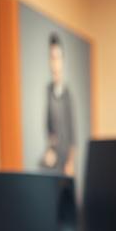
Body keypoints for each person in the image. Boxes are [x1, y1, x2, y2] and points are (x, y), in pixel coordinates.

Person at [41, 32, 76, 175]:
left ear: (62, 60)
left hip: (65, 160)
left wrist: (70, 162)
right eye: (52, 58)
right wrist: (50, 148)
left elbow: (73, 134)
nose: (55, 63)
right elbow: (48, 127)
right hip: (53, 158)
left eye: (57, 58)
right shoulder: (48, 91)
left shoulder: (67, 95)